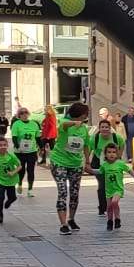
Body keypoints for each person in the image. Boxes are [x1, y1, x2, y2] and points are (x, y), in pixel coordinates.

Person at [48, 100, 90, 234]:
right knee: (62, 192)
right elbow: (64, 125)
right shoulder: (65, 124)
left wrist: (87, 161)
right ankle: (63, 223)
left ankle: (71, 218)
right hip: (59, 161)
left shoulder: (84, 128)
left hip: (76, 164)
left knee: (74, 192)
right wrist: (74, 122)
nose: (86, 116)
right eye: (85, 114)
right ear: (80, 114)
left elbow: (86, 145)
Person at [91, 109, 122, 216]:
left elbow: (121, 146)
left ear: (110, 128)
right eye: (102, 127)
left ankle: (112, 204)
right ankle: (102, 208)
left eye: (106, 127)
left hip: (112, 162)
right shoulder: (94, 138)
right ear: (99, 129)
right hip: (98, 162)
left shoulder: (116, 137)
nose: (104, 129)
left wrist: (118, 157)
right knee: (102, 185)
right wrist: (85, 162)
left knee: (112, 184)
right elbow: (88, 149)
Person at [9, 106, 40, 197]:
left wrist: (41, 147)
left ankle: (30, 190)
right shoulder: (16, 124)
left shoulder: (34, 124)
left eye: (26, 112)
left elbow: (37, 137)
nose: (24, 114)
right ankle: (20, 184)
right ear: (19, 115)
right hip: (20, 152)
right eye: (22, 113)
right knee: (21, 170)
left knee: (31, 171)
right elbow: (14, 137)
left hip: (32, 151)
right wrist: (18, 147)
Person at [100, 139, 129, 231]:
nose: (111, 154)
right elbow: (98, 171)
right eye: (109, 152)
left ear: (117, 154)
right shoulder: (104, 165)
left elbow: (130, 171)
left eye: (114, 152)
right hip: (109, 190)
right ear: (105, 154)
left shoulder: (120, 164)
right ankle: (110, 221)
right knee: (109, 207)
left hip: (118, 189)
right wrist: (87, 169)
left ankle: (117, 218)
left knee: (114, 202)